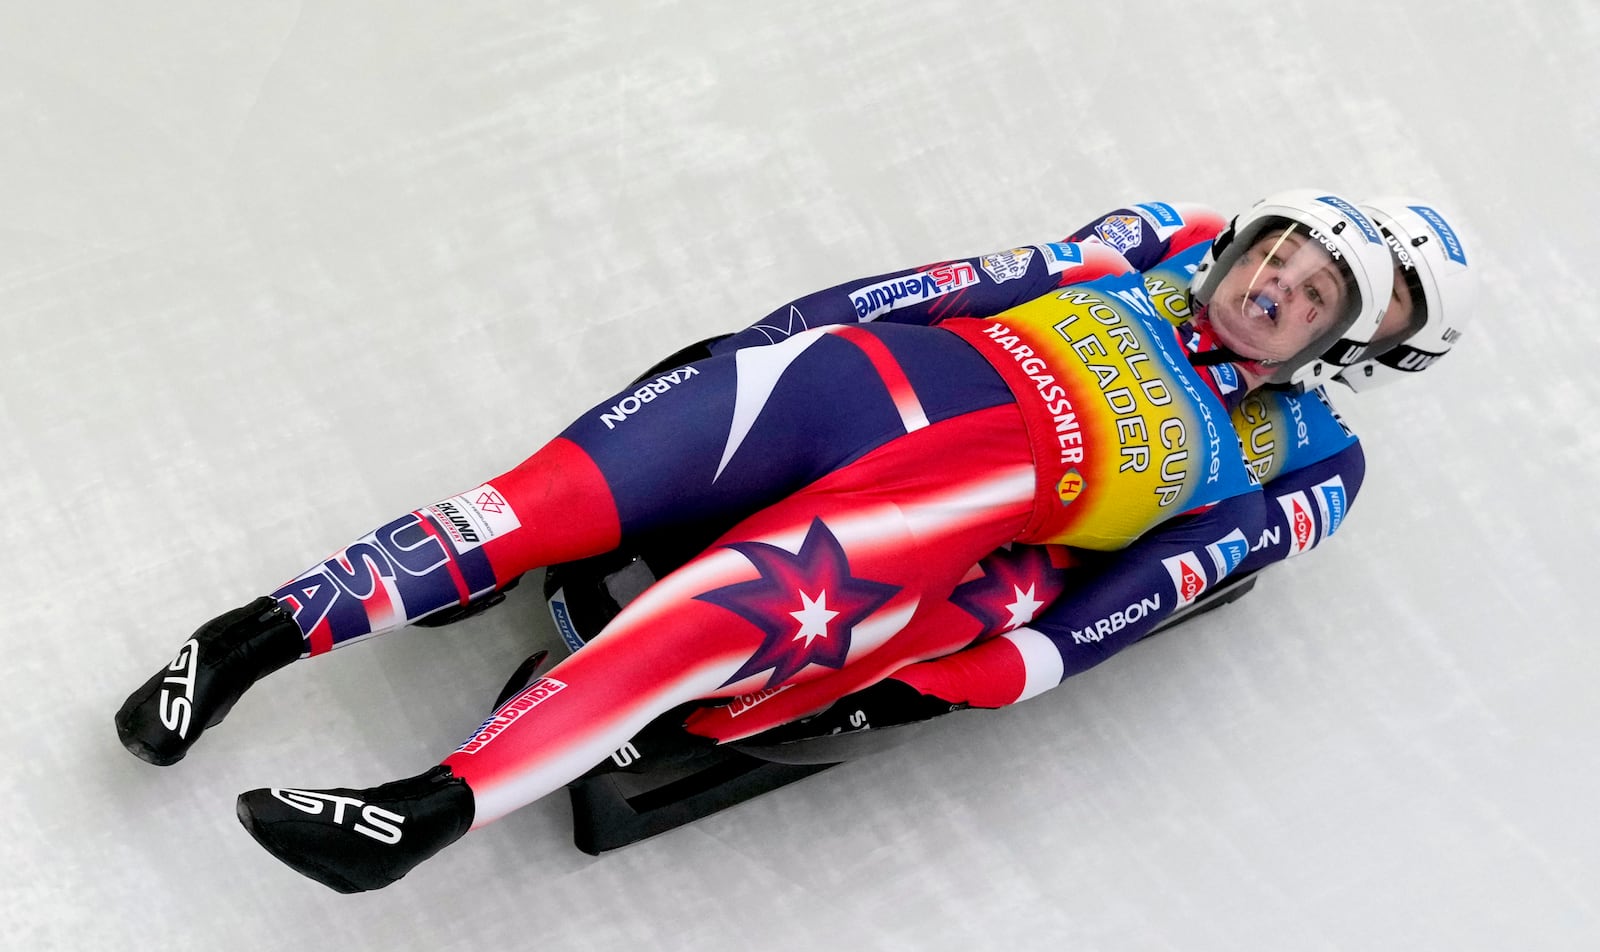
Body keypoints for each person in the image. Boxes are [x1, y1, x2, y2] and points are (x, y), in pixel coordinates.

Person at [114, 189, 1395, 892]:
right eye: (1279, 246)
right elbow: (956, 283)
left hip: (929, 511)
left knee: (689, 631)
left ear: (1332, 348)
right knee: (535, 502)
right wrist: (762, 345)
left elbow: (1144, 593)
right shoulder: (1152, 242)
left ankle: (420, 812)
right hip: (837, 385)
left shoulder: (1299, 456)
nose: (1277, 276)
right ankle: (236, 646)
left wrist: (971, 671)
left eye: (1314, 289)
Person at [755, 195, 1479, 743]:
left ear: (1401, 348)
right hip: (987, 394)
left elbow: (1224, 555)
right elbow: (1027, 277)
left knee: (1038, 577)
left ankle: (915, 672)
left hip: (1061, 526)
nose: (1366, 283)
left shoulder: (1331, 455)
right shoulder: (1195, 237)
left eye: (1397, 296)